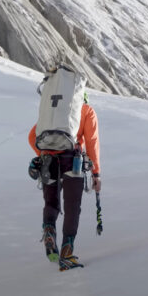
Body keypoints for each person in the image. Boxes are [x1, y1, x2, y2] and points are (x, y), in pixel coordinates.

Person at [28, 92, 101, 270]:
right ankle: (66, 254)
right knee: (72, 207)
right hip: (72, 162)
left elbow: (32, 137)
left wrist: (44, 154)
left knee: (51, 204)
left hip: (48, 162)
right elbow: (92, 142)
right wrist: (96, 173)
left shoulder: (54, 114)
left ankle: (49, 231)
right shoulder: (86, 111)